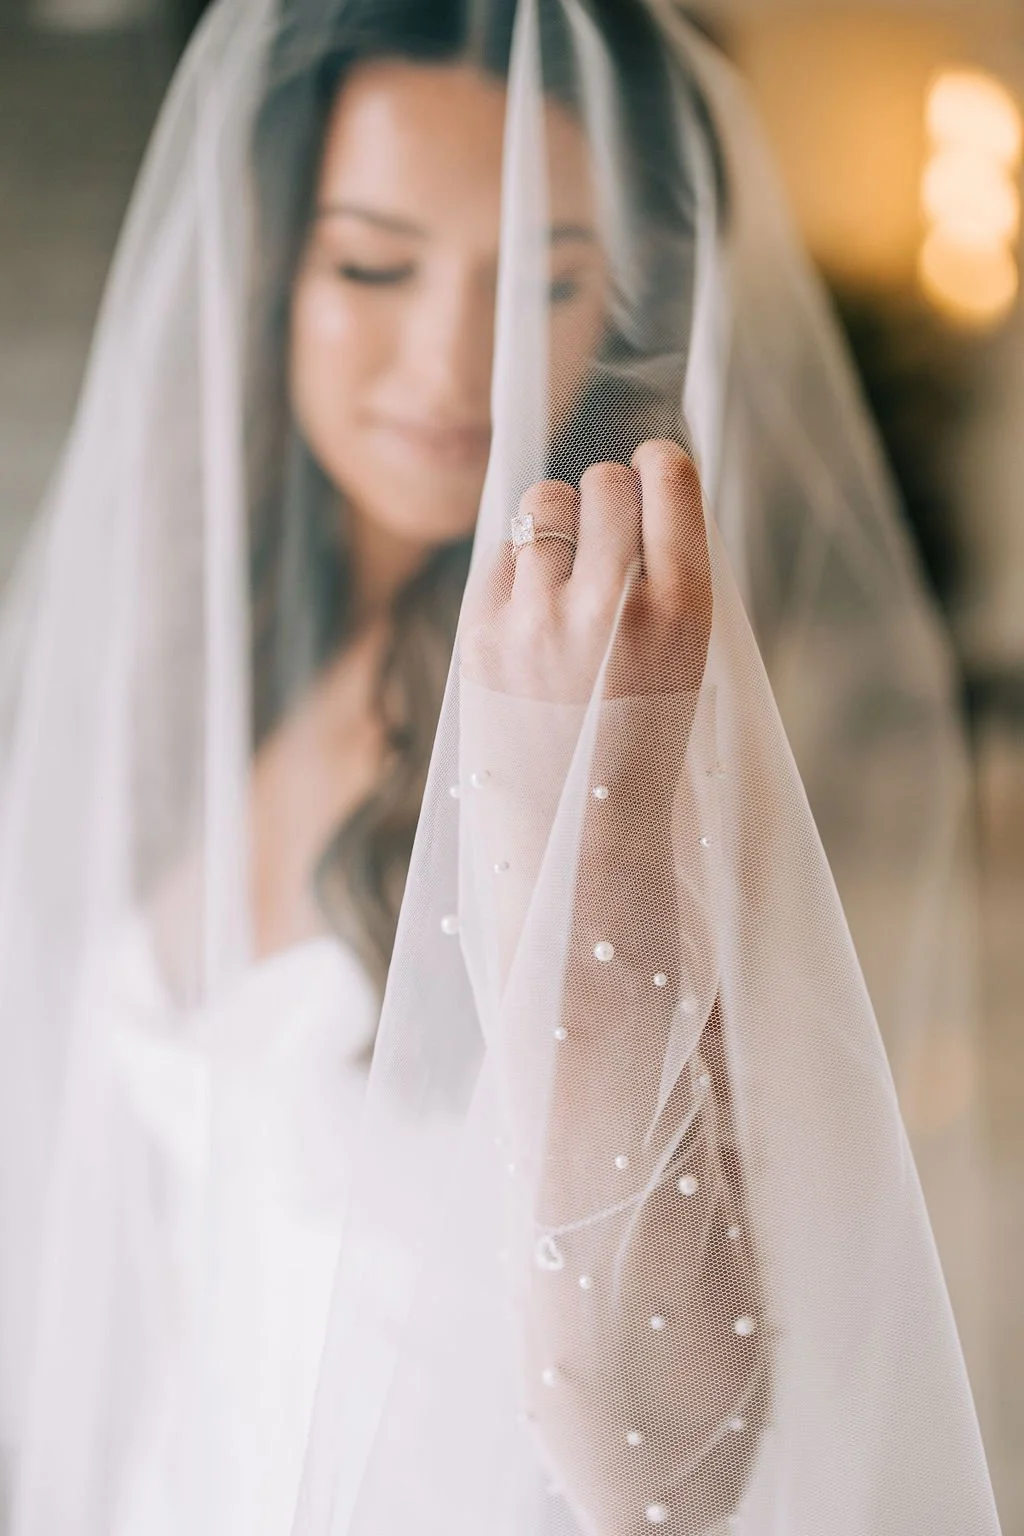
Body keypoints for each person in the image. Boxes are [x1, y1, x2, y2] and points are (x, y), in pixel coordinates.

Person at [0, 0, 1000, 1532]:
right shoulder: (220, 650)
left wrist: (574, 799)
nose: (450, 360)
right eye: (374, 263)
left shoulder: (641, 707)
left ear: (636, 311)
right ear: (272, 264)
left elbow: (675, 1468)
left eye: (545, 281)